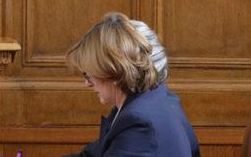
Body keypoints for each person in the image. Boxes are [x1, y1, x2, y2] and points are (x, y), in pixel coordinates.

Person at [64, 13, 199, 157]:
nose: (87, 83)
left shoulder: (140, 126)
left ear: (114, 71)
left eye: (89, 74)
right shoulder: (157, 102)